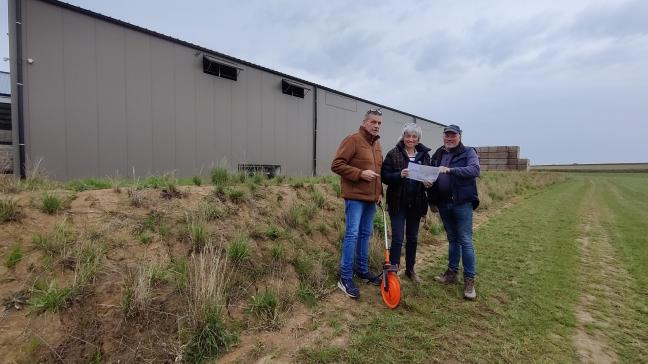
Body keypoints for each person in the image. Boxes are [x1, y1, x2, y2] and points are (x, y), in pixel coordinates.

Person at [331, 109, 384, 298]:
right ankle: (345, 278)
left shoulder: (377, 145)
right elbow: (336, 164)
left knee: (365, 234)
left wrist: (379, 193)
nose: (376, 125)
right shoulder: (352, 140)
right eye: (373, 122)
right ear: (364, 123)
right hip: (354, 197)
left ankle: (362, 271)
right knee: (352, 235)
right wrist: (360, 174)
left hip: (371, 199)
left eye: (379, 123)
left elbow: (378, 172)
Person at [428, 124, 480, 300]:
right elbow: (432, 174)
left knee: (465, 240)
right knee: (452, 239)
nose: (450, 138)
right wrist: (430, 192)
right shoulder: (439, 153)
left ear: (460, 136)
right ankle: (451, 273)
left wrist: (450, 170)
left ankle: (469, 280)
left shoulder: (468, 152)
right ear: (443, 136)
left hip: (462, 203)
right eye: (447, 135)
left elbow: (474, 170)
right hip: (444, 203)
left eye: (453, 135)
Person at [381, 123, 432, 284]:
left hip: (416, 203)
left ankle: (410, 270)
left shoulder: (424, 156)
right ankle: (393, 271)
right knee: (397, 237)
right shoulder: (393, 153)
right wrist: (399, 174)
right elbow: (384, 176)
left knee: (412, 238)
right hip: (397, 203)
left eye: (414, 137)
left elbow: (429, 176)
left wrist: (428, 183)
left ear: (418, 139)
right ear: (403, 137)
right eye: (408, 136)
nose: (410, 139)